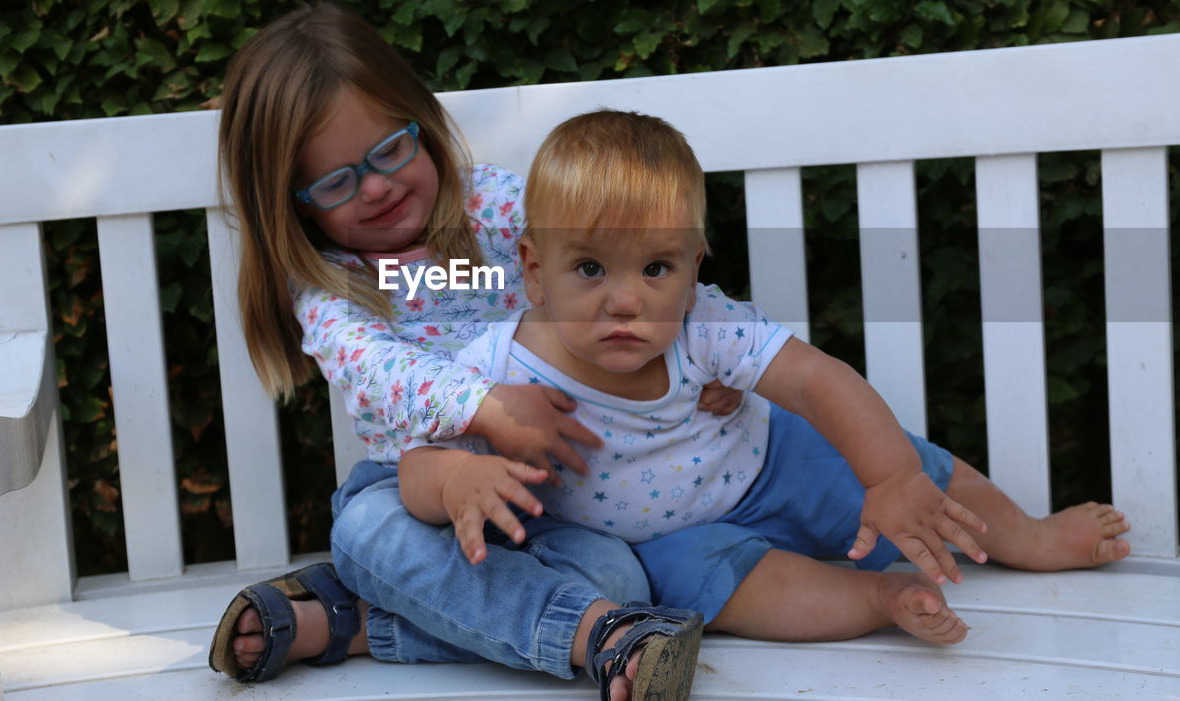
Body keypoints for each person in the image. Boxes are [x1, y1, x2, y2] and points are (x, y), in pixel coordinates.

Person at [399, 109, 1133, 646]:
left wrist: (889, 477)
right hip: (665, 537)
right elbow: (415, 464)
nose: (625, 299)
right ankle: (879, 598)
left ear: (694, 265)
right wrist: (451, 482)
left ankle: (1027, 536)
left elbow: (817, 381)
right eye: (590, 267)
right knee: (717, 589)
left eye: (656, 267)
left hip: (770, 463)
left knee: (909, 475)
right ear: (532, 269)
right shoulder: (495, 366)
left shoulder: (704, 324)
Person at [207, 4, 727, 700]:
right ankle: (601, 635)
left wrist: (712, 353)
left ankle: (353, 621)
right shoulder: (333, 287)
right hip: (417, 491)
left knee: (621, 576)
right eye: (336, 182)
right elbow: (382, 373)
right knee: (364, 533)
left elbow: (620, 248)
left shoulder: (493, 212)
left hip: (549, 495)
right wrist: (482, 404)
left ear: (420, 119)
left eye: (391, 149)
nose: (378, 186)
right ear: (294, 204)